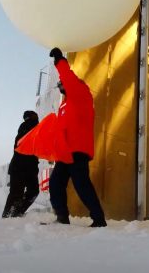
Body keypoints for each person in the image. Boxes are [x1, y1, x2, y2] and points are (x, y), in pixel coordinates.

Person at [48, 47, 106, 227]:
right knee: (55, 183)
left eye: (61, 85)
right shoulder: (65, 105)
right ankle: (62, 216)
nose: (60, 88)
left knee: (82, 185)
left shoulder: (81, 94)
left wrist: (59, 60)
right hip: (65, 152)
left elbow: (69, 79)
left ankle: (99, 219)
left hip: (78, 149)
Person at [2, 110, 40, 218]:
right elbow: (22, 145)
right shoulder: (25, 128)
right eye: (33, 116)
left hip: (30, 168)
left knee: (33, 192)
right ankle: (7, 216)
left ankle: (17, 213)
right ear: (28, 118)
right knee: (16, 194)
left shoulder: (36, 130)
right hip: (18, 168)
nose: (36, 118)